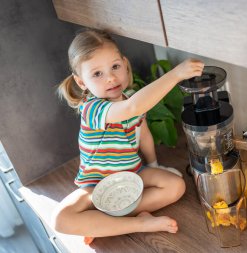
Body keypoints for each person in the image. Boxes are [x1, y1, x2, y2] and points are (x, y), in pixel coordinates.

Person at [52, 28, 204, 242]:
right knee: (60, 219)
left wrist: (153, 166)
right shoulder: (92, 108)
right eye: (97, 74)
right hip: (95, 185)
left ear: (124, 63)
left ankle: (103, 222)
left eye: (115, 66)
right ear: (81, 82)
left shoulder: (131, 99)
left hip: (132, 175)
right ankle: (139, 222)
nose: (111, 78)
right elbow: (131, 108)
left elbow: (144, 136)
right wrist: (176, 74)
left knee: (176, 186)